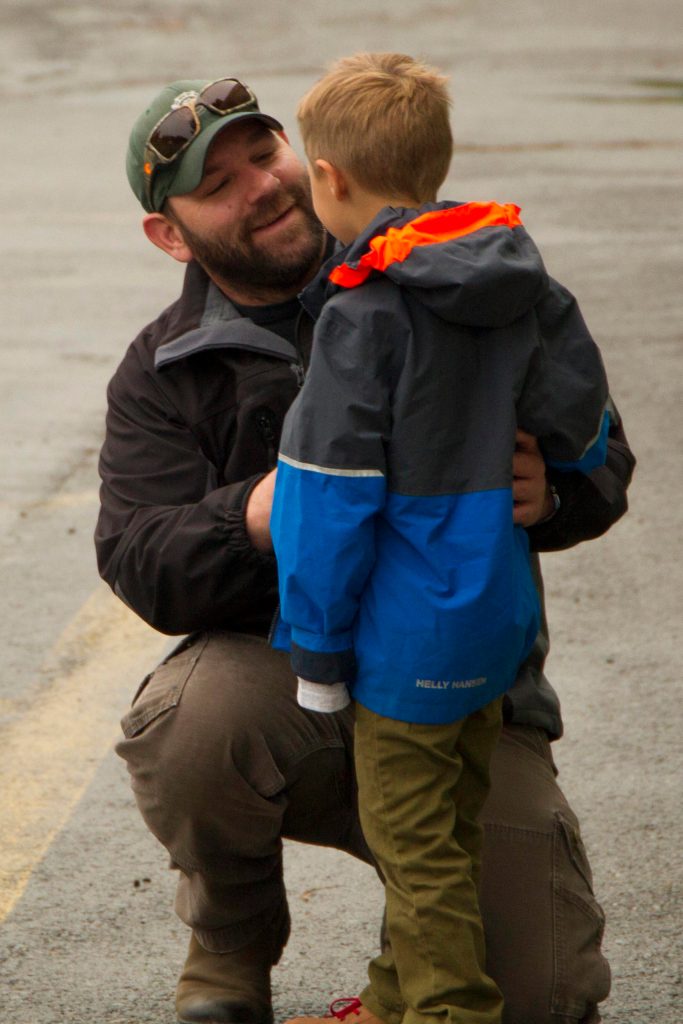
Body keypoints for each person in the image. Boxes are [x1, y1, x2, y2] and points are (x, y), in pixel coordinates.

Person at [95, 73, 635, 1024]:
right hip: (296, 681)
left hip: (465, 688)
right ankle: (229, 947)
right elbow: (140, 558)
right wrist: (260, 513)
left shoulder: (460, 280)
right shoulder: (162, 369)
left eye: (264, 155)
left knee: (540, 996)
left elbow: (601, 454)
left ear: (315, 163)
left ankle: (409, 960)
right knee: (188, 724)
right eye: (217, 183)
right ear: (169, 234)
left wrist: (553, 492)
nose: (260, 185)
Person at [269, 52, 613, 1024]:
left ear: (328, 178)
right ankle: (389, 999)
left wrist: (318, 652)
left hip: (402, 644)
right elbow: (582, 424)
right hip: (494, 628)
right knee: (448, 826)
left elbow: (323, 505)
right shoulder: (516, 278)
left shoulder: (361, 313)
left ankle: (445, 1009)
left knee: (413, 850)